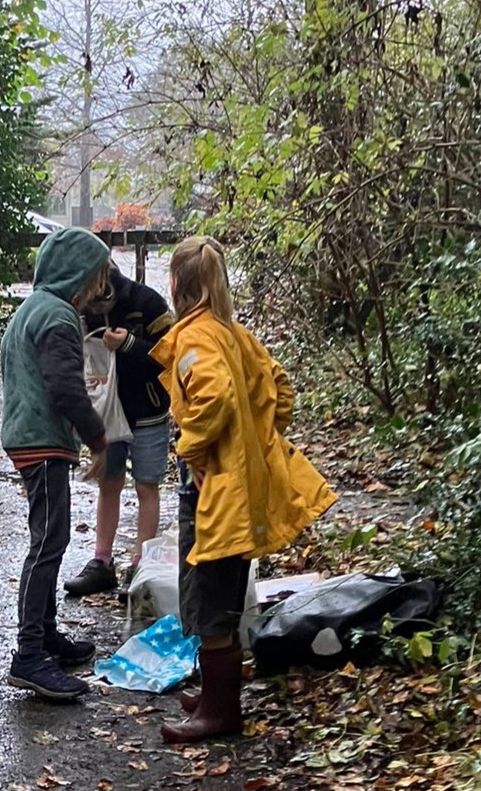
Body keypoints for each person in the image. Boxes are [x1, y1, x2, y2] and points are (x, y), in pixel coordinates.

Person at [150, 236, 337, 741]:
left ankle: (219, 714)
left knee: (211, 596)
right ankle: (216, 695)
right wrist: (258, 441)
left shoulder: (194, 339)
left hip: (216, 491)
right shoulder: (235, 334)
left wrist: (192, 448)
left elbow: (214, 398)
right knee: (226, 589)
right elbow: (281, 387)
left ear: (175, 284)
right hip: (241, 487)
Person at [0, 226, 112, 700]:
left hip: (32, 439)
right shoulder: (59, 316)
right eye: (95, 279)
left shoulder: (33, 307)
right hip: (41, 441)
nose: (98, 291)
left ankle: (45, 635)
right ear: (78, 276)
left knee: (49, 537)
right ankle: (28, 654)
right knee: (49, 542)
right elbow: (65, 388)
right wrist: (98, 439)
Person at [64, 263, 176, 597]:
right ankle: (101, 561)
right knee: (108, 483)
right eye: (90, 306)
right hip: (107, 414)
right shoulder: (82, 311)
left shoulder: (149, 303)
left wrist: (130, 344)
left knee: (147, 486)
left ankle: (141, 564)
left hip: (148, 412)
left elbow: (171, 355)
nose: (96, 311)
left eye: (101, 305)